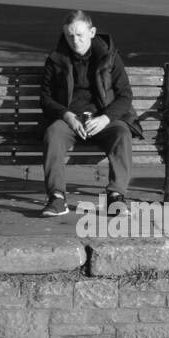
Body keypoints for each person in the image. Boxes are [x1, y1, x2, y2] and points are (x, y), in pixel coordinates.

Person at [39, 11, 144, 216]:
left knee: (122, 133)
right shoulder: (55, 59)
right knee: (53, 134)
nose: (75, 40)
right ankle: (57, 198)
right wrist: (67, 116)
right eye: (70, 35)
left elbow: (125, 96)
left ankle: (116, 196)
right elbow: (45, 99)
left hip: (103, 119)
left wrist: (105, 118)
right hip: (70, 120)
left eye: (80, 35)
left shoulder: (110, 57)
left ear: (92, 32)